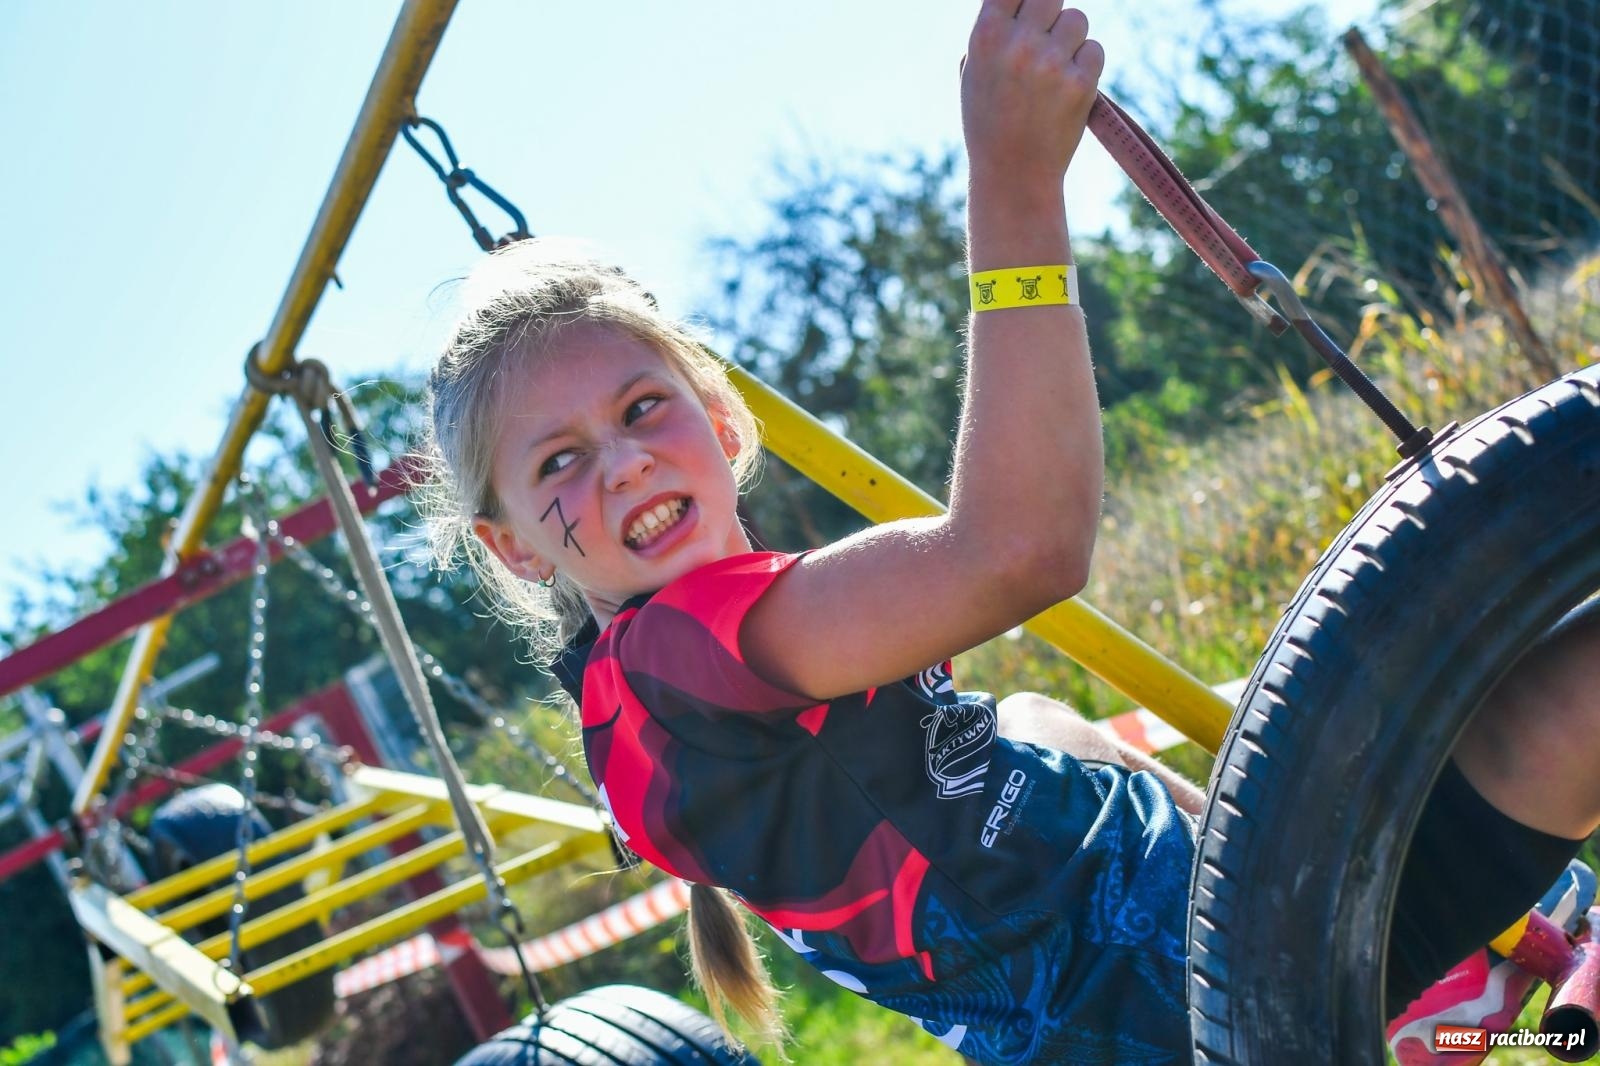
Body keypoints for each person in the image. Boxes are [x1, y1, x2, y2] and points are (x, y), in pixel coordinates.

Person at [419, 3, 1600, 1062]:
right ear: (513, 546)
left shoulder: (642, 702)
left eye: (641, 408)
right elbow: (1018, 550)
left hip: (1149, 969)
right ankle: (1417, 983)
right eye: (558, 461)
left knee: (1035, 719)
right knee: (1566, 698)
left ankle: (1438, 977)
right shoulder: (681, 648)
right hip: (1179, 997)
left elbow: (1005, 732)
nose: (622, 461)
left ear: (722, 425)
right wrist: (1015, 178)